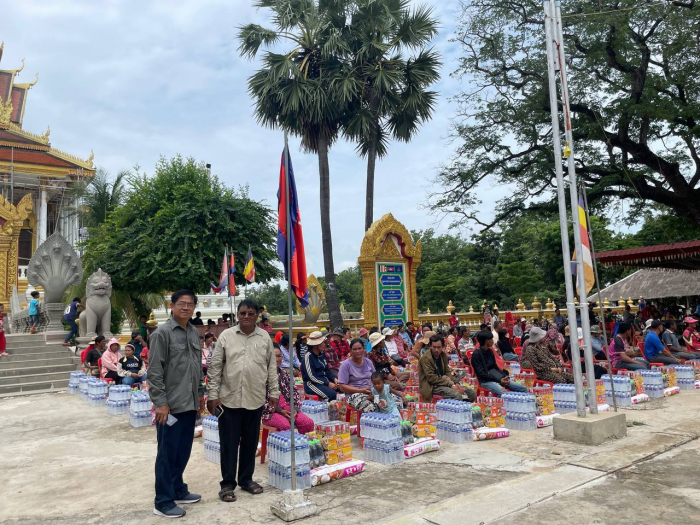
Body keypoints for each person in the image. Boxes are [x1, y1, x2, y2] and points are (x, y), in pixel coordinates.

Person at [207, 298, 277, 503]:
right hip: (228, 400)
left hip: (255, 398)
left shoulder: (264, 338)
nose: (246, 316)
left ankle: (246, 479)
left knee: (250, 442)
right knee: (229, 444)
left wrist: (274, 392)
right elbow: (215, 368)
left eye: (250, 313)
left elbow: (271, 367)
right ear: (238, 315)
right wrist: (212, 395)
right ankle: (227, 484)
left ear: (257, 316)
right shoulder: (226, 336)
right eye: (243, 313)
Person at [149, 290, 205, 518]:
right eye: (181, 303)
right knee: (167, 453)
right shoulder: (162, 334)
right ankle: (163, 501)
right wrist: (160, 403)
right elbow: (154, 371)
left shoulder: (193, 332)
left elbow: (196, 366)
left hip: (189, 403)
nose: (186, 307)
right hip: (170, 406)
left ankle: (178, 489)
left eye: (190, 304)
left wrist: (200, 394)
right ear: (171, 306)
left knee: (182, 451)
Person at [261, 346, 314, 434]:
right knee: (285, 426)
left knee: (308, 423)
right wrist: (280, 410)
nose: (277, 359)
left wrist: (295, 409)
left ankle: (301, 442)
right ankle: (286, 443)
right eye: (274, 356)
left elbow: (295, 394)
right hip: (270, 413)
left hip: (290, 409)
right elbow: (262, 401)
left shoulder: (285, 375)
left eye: (279, 356)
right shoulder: (262, 377)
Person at [418, 335, 476, 402]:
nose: (436, 350)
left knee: (472, 393)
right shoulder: (426, 358)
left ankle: (464, 407)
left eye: (438, 347)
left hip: (444, 382)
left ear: (443, 347)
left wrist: (456, 383)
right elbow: (431, 378)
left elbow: (447, 372)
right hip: (431, 385)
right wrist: (451, 384)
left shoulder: (443, 356)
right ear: (430, 346)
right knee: (457, 395)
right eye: (434, 347)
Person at [471, 331, 528, 397]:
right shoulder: (476, 355)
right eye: (491, 339)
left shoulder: (490, 351)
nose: (492, 341)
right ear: (486, 341)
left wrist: (503, 377)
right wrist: (499, 380)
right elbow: (481, 374)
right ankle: (502, 403)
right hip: (485, 381)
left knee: (523, 388)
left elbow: (494, 367)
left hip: (496, 378)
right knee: (503, 393)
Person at [338, 338, 379, 412]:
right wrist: (361, 390)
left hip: (371, 392)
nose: (357, 351)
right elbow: (342, 387)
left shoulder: (368, 362)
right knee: (369, 407)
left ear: (363, 349)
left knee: (388, 403)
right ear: (350, 351)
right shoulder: (345, 365)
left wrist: (375, 390)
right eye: (354, 349)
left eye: (359, 348)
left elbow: (375, 378)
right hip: (354, 394)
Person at [301, 331, 338, 401]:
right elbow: (312, 377)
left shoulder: (322, 354)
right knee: (332, 394)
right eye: (322, 343)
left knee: (342, 388)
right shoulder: (308, 357)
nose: (324, 344)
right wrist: (328, 383)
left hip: (324, 382)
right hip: (311, 384)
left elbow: (327, 371)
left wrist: (334, 379)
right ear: (315, 345)